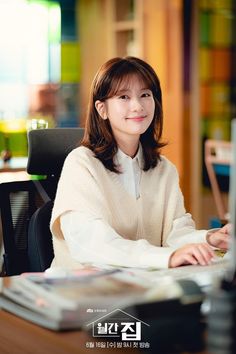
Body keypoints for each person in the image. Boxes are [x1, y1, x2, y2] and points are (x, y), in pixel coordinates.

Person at [50, 56, 230, 269]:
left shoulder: (164, 169)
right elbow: (94, 243)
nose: (137, 106)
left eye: (145, 94)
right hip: (84, 292)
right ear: (102, 109)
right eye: (124, 97)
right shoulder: (81, 164)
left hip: (144, 285)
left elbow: (175, 234)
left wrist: (210, 239)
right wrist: (167, 257)